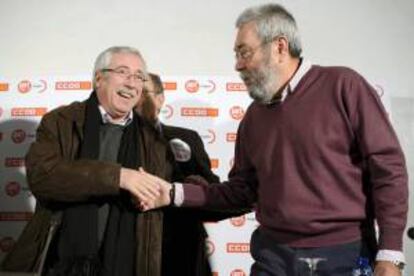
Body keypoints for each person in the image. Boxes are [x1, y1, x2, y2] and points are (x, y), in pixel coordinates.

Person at [139, 4, 409, 276]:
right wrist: (174, 193)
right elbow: (241, 192)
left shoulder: (344, 86)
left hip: (345, 256)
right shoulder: (254, 117)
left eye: (244, 52)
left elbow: (388, 170)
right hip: (273, 258)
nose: (238, 64)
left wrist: (391, 253)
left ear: (279, 47)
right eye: (236, 54)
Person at [1, 46, 170, 276]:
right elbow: (43, 176)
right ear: (99, 78)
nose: (132, 83)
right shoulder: (61, 121)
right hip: (62, 262)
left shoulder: (154, 137)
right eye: (123, 72)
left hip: (130, 264)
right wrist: (119, 177)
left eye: (139, 77)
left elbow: (176, 189)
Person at [136, 73, 244, 276]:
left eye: (143, 92)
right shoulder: (112, 140)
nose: (136, 98)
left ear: (160, 99)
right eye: (132, 92)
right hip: (130, 250)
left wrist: (195, 189)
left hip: (181, 249)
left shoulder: (187, 138)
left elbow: (212, 196)